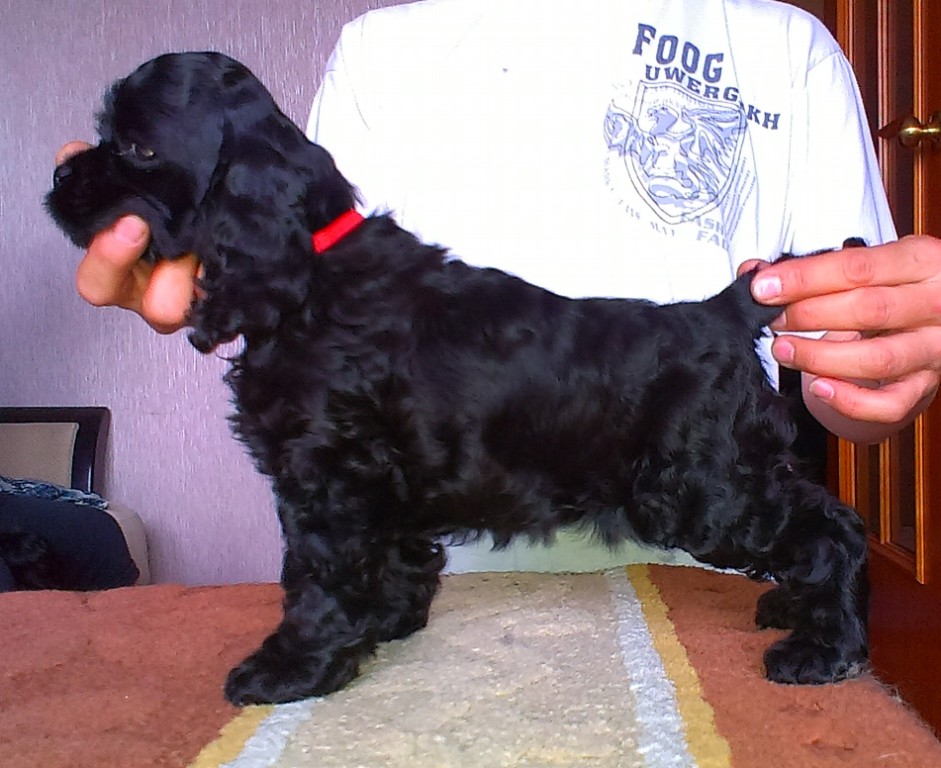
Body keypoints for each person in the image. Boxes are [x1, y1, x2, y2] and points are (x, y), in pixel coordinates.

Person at [57, 0, 941, 566]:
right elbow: (329, 330)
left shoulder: (784, 47)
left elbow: (849, 372)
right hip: (451, 586)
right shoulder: (380, 52)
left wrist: (885, 360)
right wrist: (227, 281)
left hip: (707, 578)